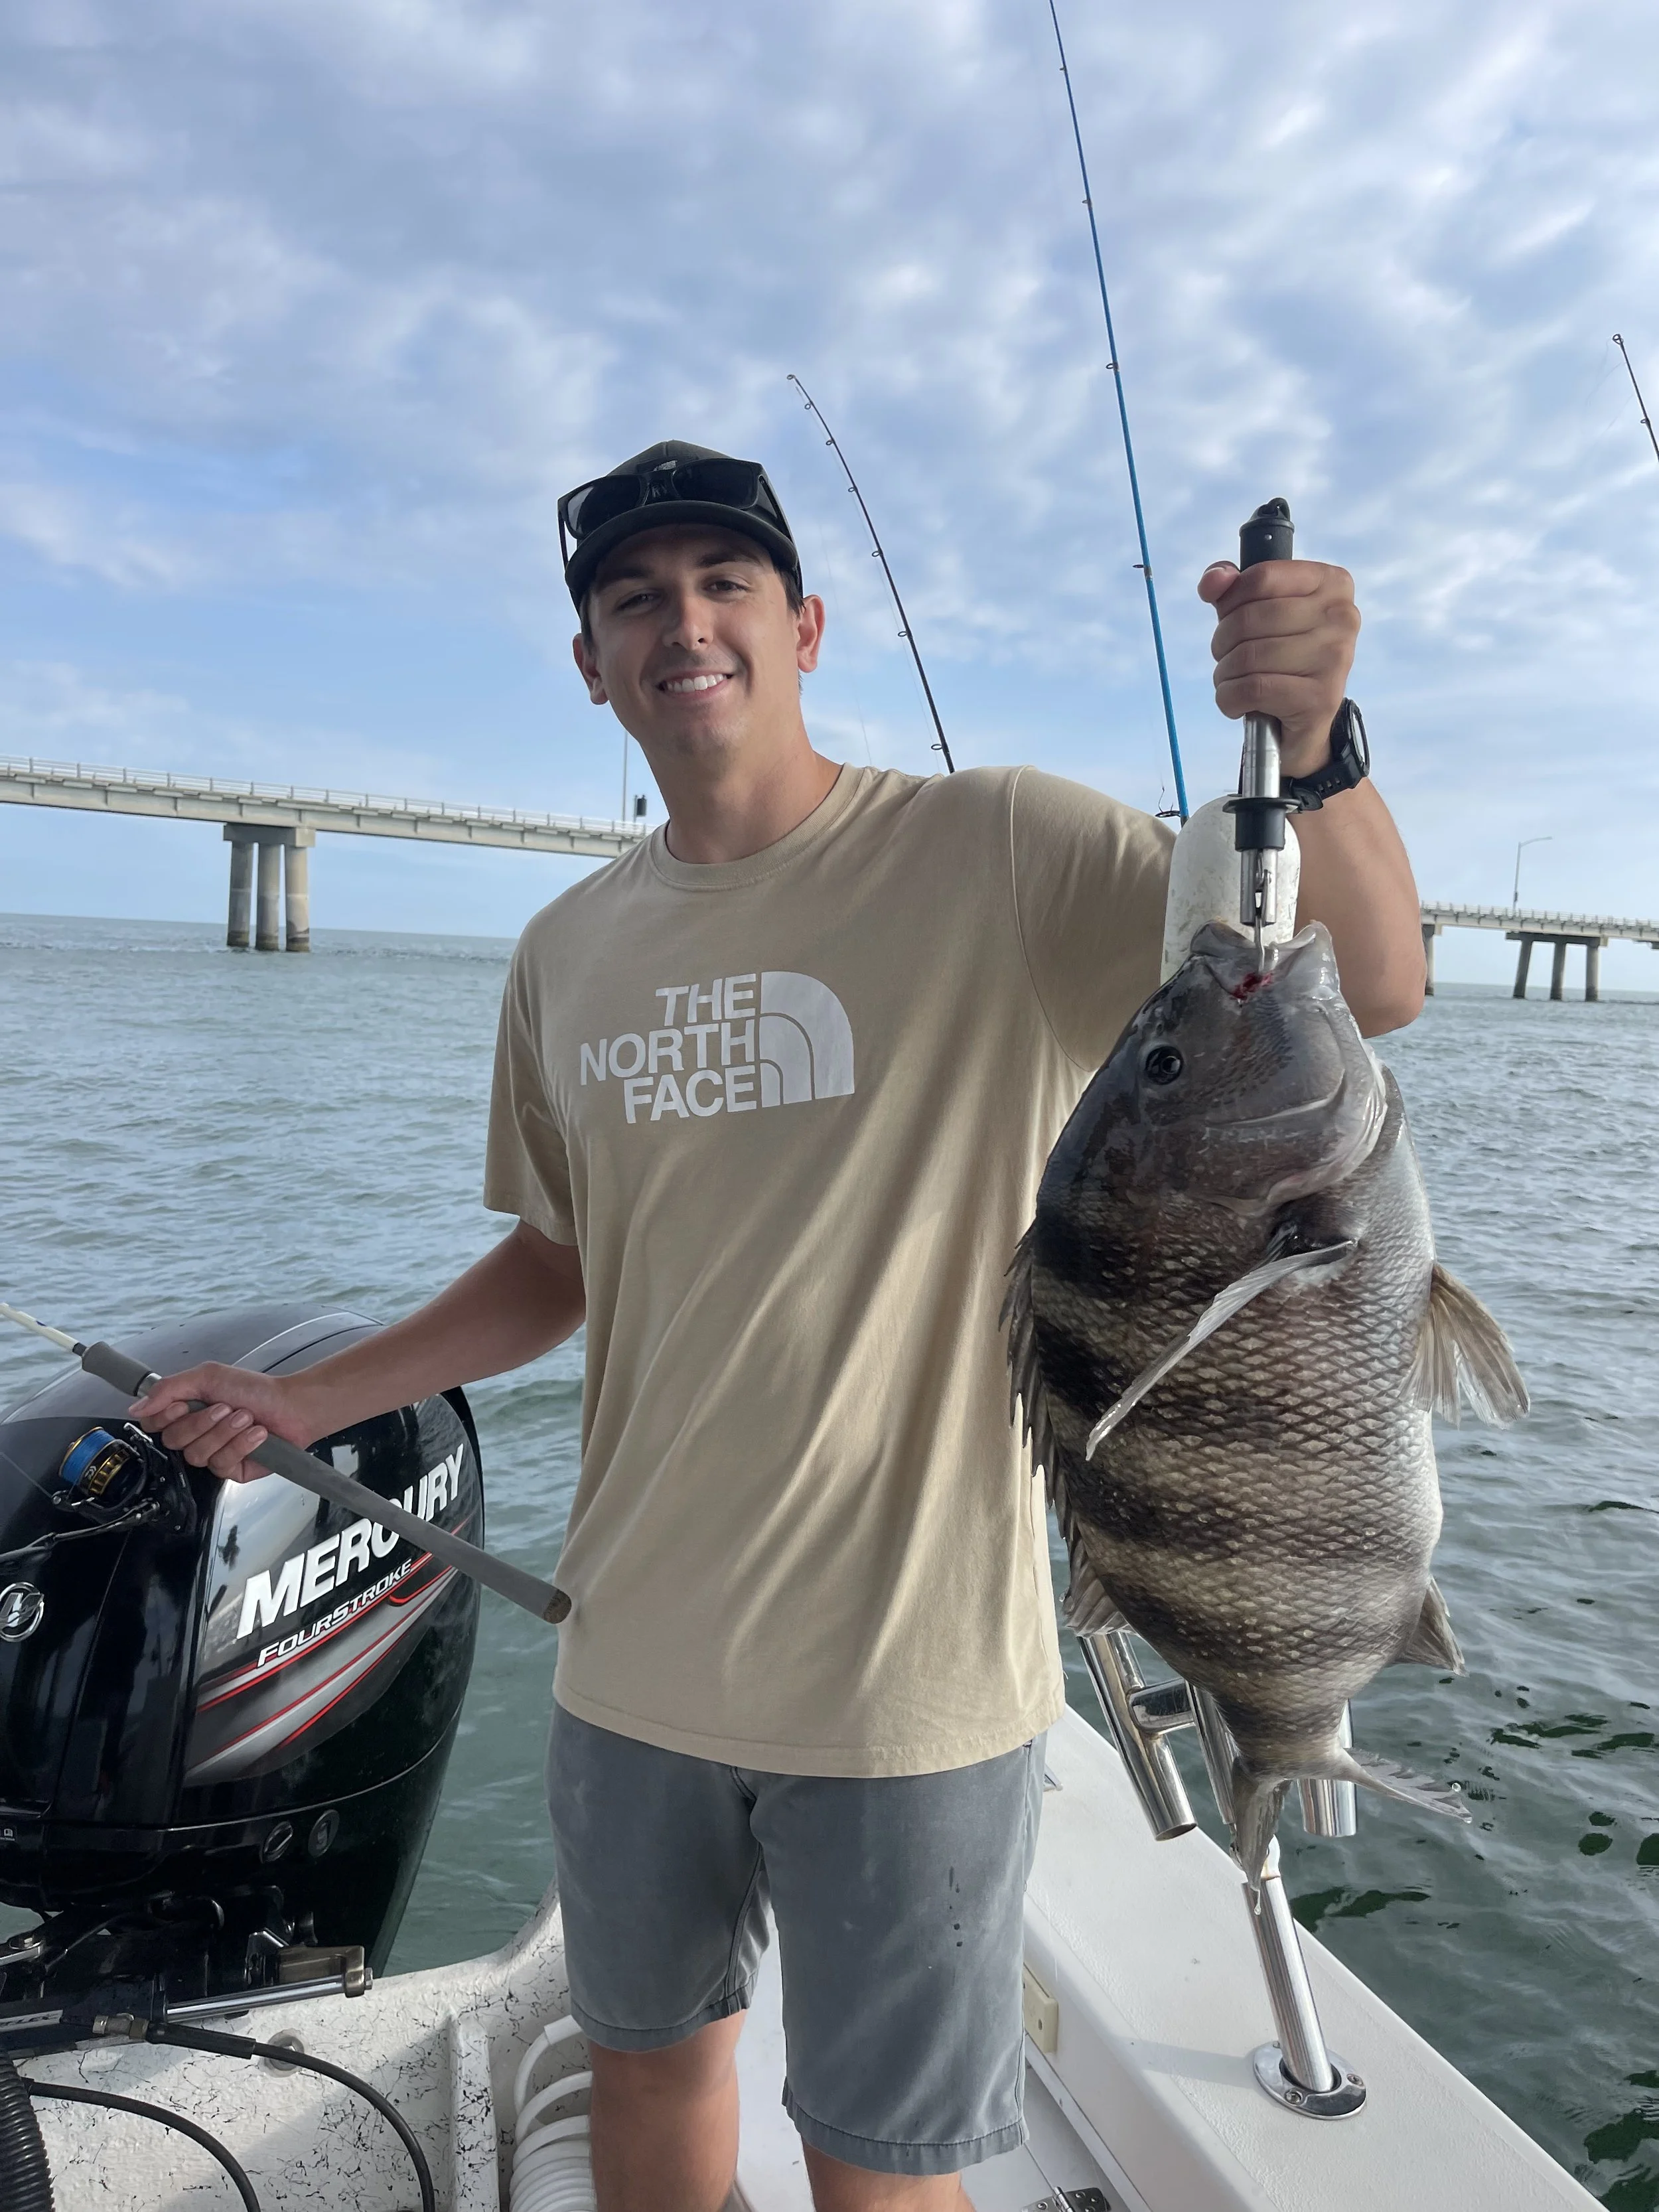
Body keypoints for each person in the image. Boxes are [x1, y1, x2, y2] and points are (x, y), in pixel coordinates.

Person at [137, 441, 1425, 2212]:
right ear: (590, 660)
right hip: (631, 1659)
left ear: (805, 624)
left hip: (910, 1681)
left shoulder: (1001, 849)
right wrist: (306, 1397)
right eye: (633, 596)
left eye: (723, 582)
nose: (684, 622)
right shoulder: (566, 951)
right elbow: (557, 1261)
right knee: (650, 2095)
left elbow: (1365, 977)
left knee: (877, 2166)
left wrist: (1319, 736)